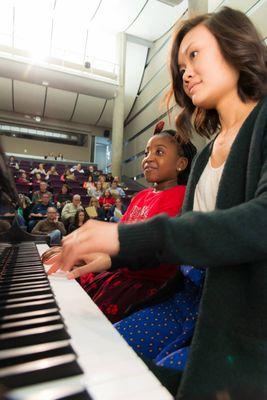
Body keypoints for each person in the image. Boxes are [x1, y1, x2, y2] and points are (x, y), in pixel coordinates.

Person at [46, 7, 267, 400]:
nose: (185, 71)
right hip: (188, 300)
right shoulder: (202, 156)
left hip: (242, 315)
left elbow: (259, 223)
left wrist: (123, 239)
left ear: (236, 48)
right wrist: (111, 258)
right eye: (181, 64)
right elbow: (184, 245)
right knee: (100, 360)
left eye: (195, 55)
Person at [73, 130, 196, 323]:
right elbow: (119, 237)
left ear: (180, 164)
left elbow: (156, 249)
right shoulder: (140, 196)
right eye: (147, 152)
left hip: (145, 284)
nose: (148, 158)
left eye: (159, 152)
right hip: (119, 273)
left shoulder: (182, 196)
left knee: (91, 321)